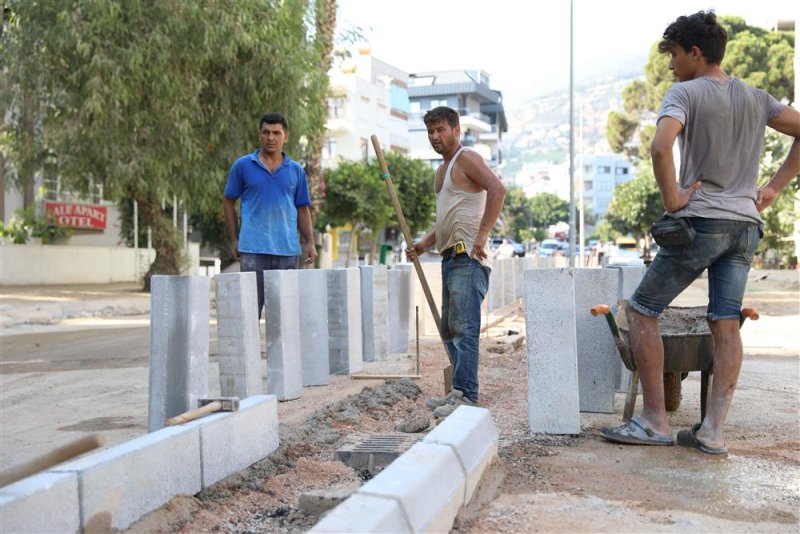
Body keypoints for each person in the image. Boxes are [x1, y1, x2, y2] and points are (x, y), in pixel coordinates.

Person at [600, 11, 800, 454]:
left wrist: (672, 198)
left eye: (673, 54)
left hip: (703, 223)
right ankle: (712, 432)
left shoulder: (684, 92)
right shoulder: (757, 97)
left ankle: (654, 421)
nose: (669, 65)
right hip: (746, 227)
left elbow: (659, 145)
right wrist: (773, 188)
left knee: (641, 311)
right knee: (725, 323)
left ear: (695, 52)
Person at [406, 106, 506, 418]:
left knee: (464, 329)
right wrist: (423, 244)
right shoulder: (442, 172)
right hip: (450, 258)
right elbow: (446, 219)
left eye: (441, 130)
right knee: (450, 329)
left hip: (468, 258)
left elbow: (498, 189)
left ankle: (468, 395)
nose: (435, 137)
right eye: (430, 132)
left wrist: (483, 234)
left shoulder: (467, 158)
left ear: (456, 130)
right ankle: (457, 392)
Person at [223, 112, 317, 318]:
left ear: (286, 137)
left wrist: (309, 242)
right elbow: (229, 200)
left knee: (284, 316)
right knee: (248, 313)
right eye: (266, 132)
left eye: (276, 133)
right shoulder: (242, 166)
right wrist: (235, 238)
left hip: (287, 251)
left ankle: (282, 352)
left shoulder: (296, 171)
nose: (271, 138)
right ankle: (250, 352)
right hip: (252, 250)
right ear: (259, 135)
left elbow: (303, 209)